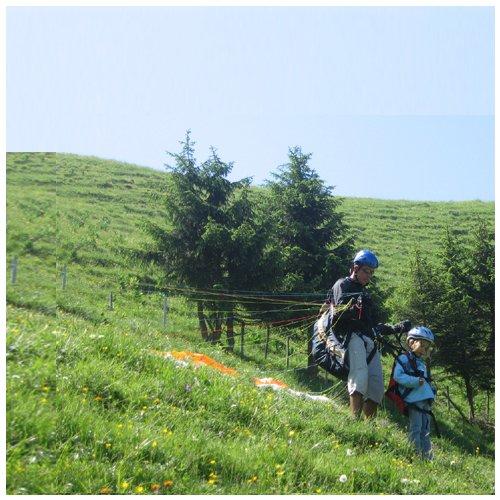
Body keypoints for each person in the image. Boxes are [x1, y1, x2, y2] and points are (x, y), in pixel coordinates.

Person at [313, 249, 410, 419]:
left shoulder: (366, 295)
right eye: (366, 271)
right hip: (350, 337)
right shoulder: (342, 284)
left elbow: (373, 326)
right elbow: (338, 314)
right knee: (359, 377)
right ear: (355, 268)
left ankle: (368, 427)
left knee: (376, 387)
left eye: (371, 273)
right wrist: (354, 306)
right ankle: (354, 420)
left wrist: (396, 328)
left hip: (368, 340)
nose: (369, 276)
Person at [393, 326, 437, 460]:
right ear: (412, 342)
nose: (425, 350)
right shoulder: (404, 359)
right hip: (414, 400)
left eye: (427, 347)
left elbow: (425, 381)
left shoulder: (420, 363)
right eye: (423, 345)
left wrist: (432, 391)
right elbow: (398, 376)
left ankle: (428, 458)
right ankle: (414, 454)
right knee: (416, 428)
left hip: (425, 401)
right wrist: (415, 381)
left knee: (425, 430)